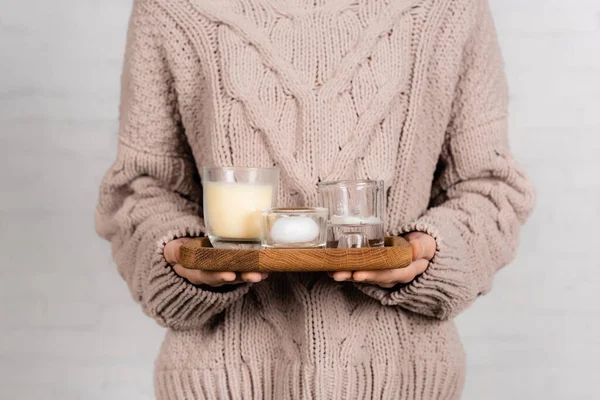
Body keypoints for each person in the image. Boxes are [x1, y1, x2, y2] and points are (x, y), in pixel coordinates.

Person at [95, 0, 535, 398]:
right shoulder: (173, 9)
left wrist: (429, 251)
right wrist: (176, 256)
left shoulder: (449, 8)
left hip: (401, 377)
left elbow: (489, 186)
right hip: (222, 379)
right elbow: (140, 189)